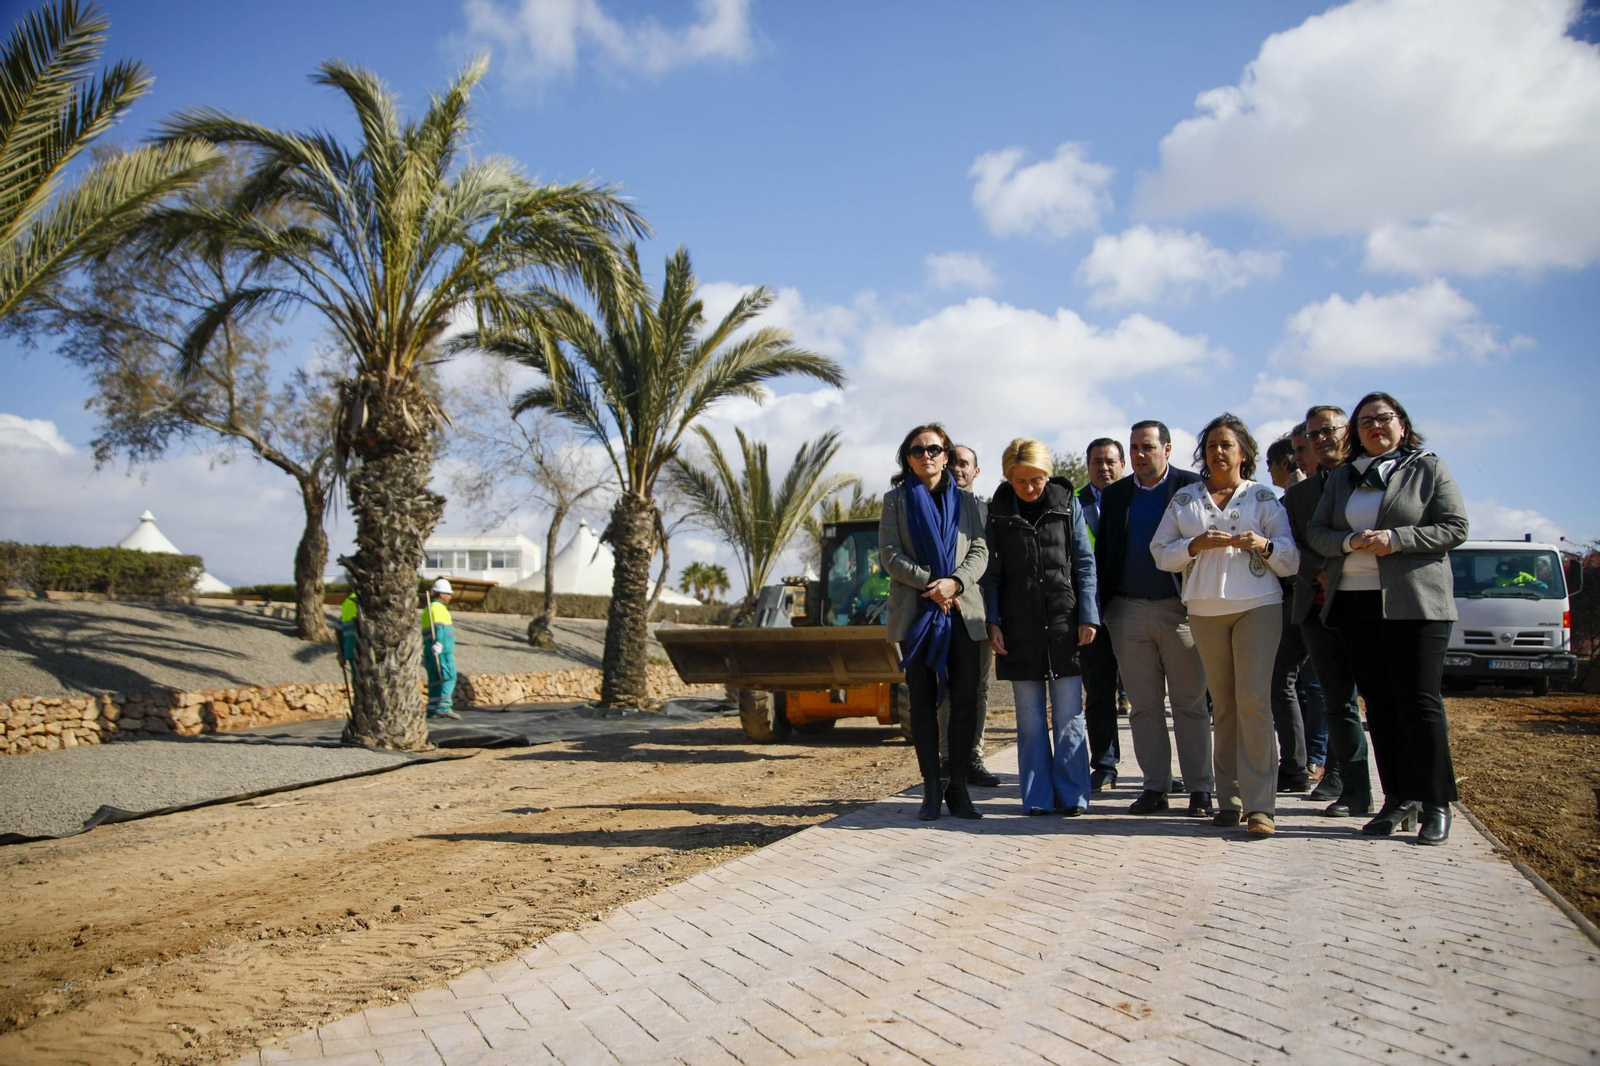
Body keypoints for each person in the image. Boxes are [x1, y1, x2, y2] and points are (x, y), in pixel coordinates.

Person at [1307, 392, 1469, 844]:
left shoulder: (1426, 467)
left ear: (1401, 423)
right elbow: (1317, 533)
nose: (1374, 427)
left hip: (1415, 602)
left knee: (1418, 703)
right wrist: (1348, 543)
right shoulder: (1342, 478)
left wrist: (1397, 539)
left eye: (1383, 418)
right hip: (1356, 603)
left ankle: (1435, 801)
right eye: (1364, 422)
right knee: (1377, 705)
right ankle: (1397, 799)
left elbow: (1455, 527)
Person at [1153, 414, 1300, 836]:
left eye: (1227, 445)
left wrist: (1265, 545)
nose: (1219, 451)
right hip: (1203, 610)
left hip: (1258, 605)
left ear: (1244, 453)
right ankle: (1229, 800)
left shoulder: (1263, 498)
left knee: (1253, 701)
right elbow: (1160, 552)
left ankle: (1260, 807)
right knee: (1224, 704)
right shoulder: (1186, 499)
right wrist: (1194, 545)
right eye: (1212, 445)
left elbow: (1290, 559)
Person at [1094, 420, 1215, 817]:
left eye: (1147, 447)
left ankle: (1200, 789)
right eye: (1134, 448)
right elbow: (1105, 554)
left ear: (1167, 449)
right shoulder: (1116, 495)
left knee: (1190, 704)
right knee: (1143, 706)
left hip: (1180, 610)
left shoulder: (1193, 487)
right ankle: (1155, 787)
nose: (1139, 455)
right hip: (1127, 612)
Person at [982, 438, 1100, 815]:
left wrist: (1088, 615)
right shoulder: (997, 511)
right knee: (1030, 720)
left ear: (1047, 475)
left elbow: (1084, 563)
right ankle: (1037, 799)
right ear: (1008, 478)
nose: (1029, 488)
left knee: (1069, 716)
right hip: (1018, 630)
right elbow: (991, 575)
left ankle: (1074, 796)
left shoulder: (1068, 503)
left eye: (1036, 480)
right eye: (1020, 481)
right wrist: (993, 620)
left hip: (1066, 626)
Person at [880, 424, 990, 821]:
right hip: (917, 613)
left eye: (933, 448)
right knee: (923, 704)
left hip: (962, 611)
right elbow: (890, 555)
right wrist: (932, 583)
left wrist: (955, 583)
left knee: (964, 701)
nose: (925, 455)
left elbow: (980, 550)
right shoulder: (896, 501)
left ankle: (957, 787)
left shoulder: (970, 505)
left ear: (946, 456)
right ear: (907, 459)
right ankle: (930, 787)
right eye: (916, 450)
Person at [1285, 405, 1373, 817]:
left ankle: (1401, 791)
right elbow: (1293, 543)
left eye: (1327, 431)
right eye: (1312, 434)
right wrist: (1319, 573)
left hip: (1365, 604)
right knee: (1335, 698)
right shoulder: (1299, 495)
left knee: (1370, 700)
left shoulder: (1368, 480)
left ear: (1348, 432)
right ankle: (1346, 783)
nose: (1320, 440)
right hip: (1316, 607)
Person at [939, 444, 999, 787]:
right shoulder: (932, 508)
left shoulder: (986, 512)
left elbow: (991, 564)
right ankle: (947, 758)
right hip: (940, 608)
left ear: (976, 471)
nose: (958, 469)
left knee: (978, 688)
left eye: (965, 464)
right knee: (944, 687)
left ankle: (973, 756)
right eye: (954, 463)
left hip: (976, 613)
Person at [1265, 435, 1321, 793]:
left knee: (1310, 686)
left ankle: (1310, 763)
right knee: (1293, 684)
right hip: (1295, 604)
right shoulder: (1285, 501)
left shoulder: (1302, 500)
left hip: (1308, 602)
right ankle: (1302, 765)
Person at [1078, 437, 1126, 791]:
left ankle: (1157, 769)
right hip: (1092, 614)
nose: (1104, 467)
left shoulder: (1136, 500)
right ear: (1088, 465)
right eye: (1097, 461)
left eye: (1110, 461)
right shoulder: (1074, 505)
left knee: (1146, 694)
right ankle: (1105, 765)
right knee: (1098, 692)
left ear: (1122, 464)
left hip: (1133, 607)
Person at [421, 578, 461, 720]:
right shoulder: (438, 609)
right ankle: (444, 706)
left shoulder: (427, 609)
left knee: (435, 679)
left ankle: (432, 708)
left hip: (430, 650)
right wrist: (439, 643)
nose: (450, 597)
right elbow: (439, 628)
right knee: (448, 676)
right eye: (448, 594)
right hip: (442, 651)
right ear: (441, 594)